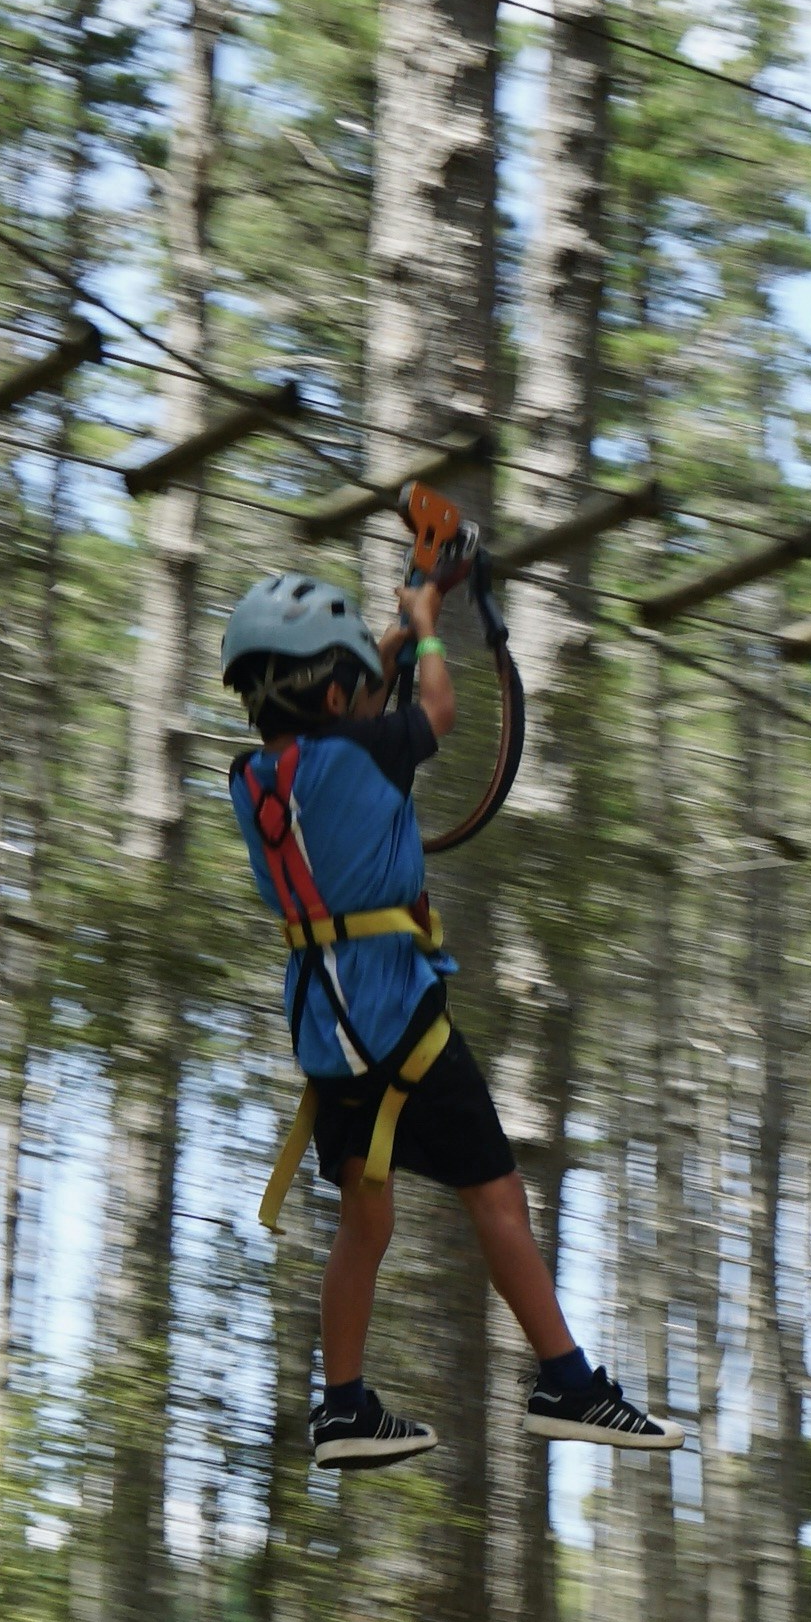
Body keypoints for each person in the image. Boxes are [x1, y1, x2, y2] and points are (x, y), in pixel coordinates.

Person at [220, 551, 679, 1474]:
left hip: (323, 1026)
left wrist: (398, 619)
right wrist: (428, 622)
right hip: (397, 1016)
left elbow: (357, 705)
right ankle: (566, 1383)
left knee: (365, 1217)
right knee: (497, 1194)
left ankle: (342, 1406)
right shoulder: (367, 747)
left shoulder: (252, 777)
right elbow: (434, 709)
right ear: (343, 693)